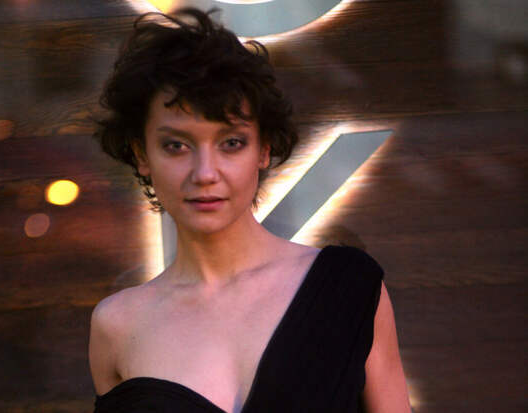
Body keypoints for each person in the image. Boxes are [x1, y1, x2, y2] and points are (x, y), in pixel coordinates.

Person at [89, 8, 411, 413]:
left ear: (264, 149)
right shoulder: (117, 326)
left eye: (231, 143)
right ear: (141, 155)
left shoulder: (349, 289)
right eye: (176, 145)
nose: (205, 173)